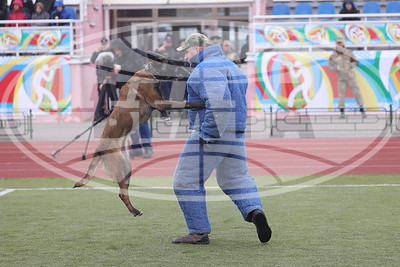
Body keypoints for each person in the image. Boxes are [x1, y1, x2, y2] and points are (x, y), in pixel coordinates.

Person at [172, 33, 272, 244]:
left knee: (186, 180)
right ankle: (254, 211)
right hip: (236, 133)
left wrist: (207, 134)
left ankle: (198, 232)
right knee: (235, 178)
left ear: (198, 49)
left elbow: (219, 103)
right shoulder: (230, 65)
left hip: (215, 132)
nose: (186, 57)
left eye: (188, 52)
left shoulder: (206, 68)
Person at [329, 36, 366, 118]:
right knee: (341, 95)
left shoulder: (349, 52)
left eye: (341, 42)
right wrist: (336, 69)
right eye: (338, 43)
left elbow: (356, 62)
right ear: (336, 44)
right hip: (341, 78)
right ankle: (342, 113)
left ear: (343, 43)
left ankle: (362, 111)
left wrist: (350, 66)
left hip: (350, 76)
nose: (339, 44)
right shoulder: (333, 55)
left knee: (357, 93)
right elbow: (330, 67)